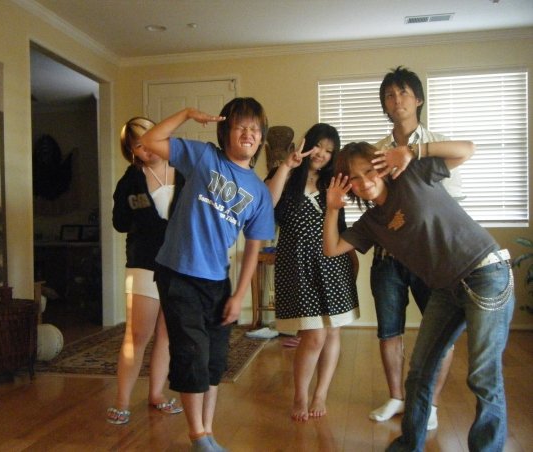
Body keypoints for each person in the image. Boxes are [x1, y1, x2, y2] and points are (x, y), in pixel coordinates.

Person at [323, 141, 514, 452]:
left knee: (483, 375)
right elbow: (332, 249)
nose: (364, 182)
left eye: (369, 171)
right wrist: (332, 208)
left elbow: (467, 150)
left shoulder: (412, 175)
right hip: (446, 288)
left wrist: (416, 150)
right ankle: (409, 445)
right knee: (420, 371)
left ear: (381, 168)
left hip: (485, 272)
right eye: (354, 178)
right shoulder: (371, 223)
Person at [141, 98, 276, 452]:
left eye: (255, 129)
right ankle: (197, 435)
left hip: (217, 281)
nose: (248, 133)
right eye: (240, 126)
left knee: (215, 361)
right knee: (192, 352)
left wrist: (239, 295)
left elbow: (254, 247)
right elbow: (150, 141)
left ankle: (208, 432)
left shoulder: (259, 193)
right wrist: (186, 113)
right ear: (225, 131)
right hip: (178, 272)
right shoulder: (204, 157)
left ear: (261, 138)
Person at [368, 66, 463, 429]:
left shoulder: (437, 144)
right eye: (390, 95)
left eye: (403, 93)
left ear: (418, 99)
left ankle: (430, 404)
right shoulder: (376, 151)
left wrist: (414, 152)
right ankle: (396, 397)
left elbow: (453, 193)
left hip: (431, 257)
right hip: (388, 257)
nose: (397, 101)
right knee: (389, 330)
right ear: (384, 104)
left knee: (442, 332)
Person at [265, 123, 359, 421]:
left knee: (332, 331)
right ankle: (300, 395)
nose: (322, 154)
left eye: (330, 151)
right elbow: (266, 205)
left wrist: (353, 261)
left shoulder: (334, 181)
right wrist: (287, 166)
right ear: (307, 144)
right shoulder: (285, 174)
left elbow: (340, 227)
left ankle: (320, 394)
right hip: (296, 263)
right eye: (319, 146)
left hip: (332, 262)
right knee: (314, 334)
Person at [106, 117, 184, 425]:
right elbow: (120, 222)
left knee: (166, 334)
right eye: (138, 145)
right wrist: (137, 208)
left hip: (180, 263)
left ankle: (157, 394)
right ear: (131, 151)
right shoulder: (130, 180)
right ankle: (122, 401)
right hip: (144, 263)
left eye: (149, 139)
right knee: (137, 335)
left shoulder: (184, 170)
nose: (146, 149)